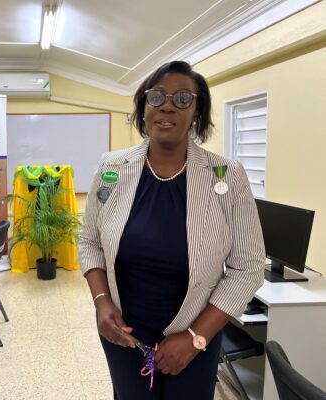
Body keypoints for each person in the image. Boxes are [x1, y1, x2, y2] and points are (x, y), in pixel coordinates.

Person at [78, 60, 265, 399]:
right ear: (143, 108)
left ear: (196, 112)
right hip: (124, 334)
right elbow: (89, 241)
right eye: (156, 96)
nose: (167, 104)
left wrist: (196, 337)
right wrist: (102, 302)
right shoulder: (111, 168)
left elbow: (248, 268)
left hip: (197, 337)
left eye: (182, 98)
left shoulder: (227, 175)